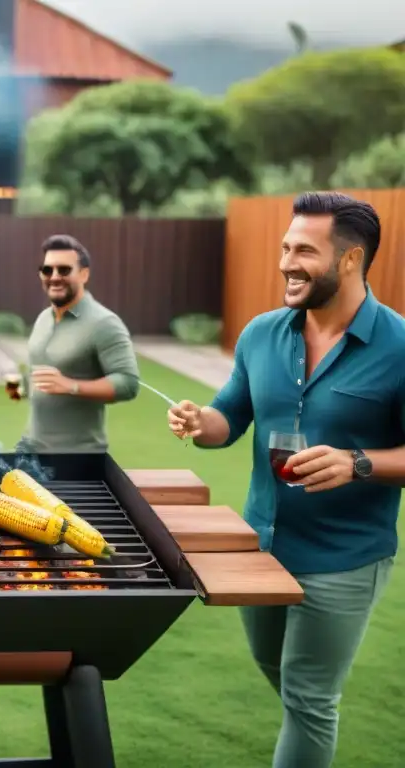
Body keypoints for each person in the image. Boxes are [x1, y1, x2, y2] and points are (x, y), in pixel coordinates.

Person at [167, 192, 404, 768]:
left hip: (344, 557)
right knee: (279, 672)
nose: (286, 262)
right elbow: (229, 418)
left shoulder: (399, 346)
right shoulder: (261, 334)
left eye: (304, 250)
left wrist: (358, 463)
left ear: (349, 260)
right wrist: (200, 423)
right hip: (262, 548)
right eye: (284, 247)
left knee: (309, 698)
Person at [16, 235, 139, 454]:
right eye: (47, 270)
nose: (54, 277)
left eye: (64, 270)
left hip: (77, 456)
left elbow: (128, 383)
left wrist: (70, 386)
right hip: (30, 448)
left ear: (84, 274)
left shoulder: (104, 323)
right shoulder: (44, 317)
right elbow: (40, 374)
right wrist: (20, 386)